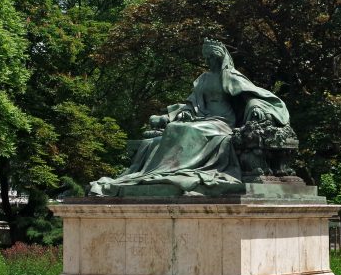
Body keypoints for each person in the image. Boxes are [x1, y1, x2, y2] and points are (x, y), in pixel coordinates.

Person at [89, 39, 290, 196]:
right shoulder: (203, 78)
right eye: (206, 58)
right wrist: (183, 112)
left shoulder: (230, 77)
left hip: (221, 122)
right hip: (202, 118)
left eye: (212, 57)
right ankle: (162, 172)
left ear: (220, 57)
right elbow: (190, 103)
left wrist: (256, 108)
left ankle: (170, 170)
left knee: (189, 130)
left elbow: (255, 97)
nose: (208, 61)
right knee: (175, 128)